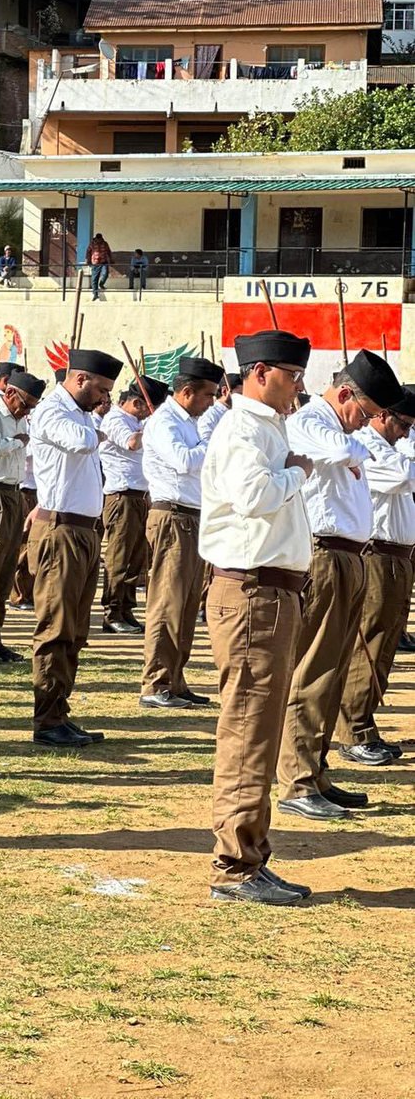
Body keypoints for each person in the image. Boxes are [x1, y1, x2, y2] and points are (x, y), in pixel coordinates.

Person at [201, 329, 315, 906]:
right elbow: (254, 495)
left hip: (271, 592)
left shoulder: (267, 426)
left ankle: (251, 854)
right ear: (261, 371)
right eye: (293, 375)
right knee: (248, 726)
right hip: (252, 594)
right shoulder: (244, 428)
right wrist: (298, 472)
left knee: (260, 727)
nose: (299, 386)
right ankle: (235, 865)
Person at [277, 350, 404, 820]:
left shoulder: (337, 426)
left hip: (351, 555)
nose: (365, 424)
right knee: (313, 669)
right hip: (324, 554)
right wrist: (357, 448)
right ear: (345, 393)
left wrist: (356, 449)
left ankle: (316, 771)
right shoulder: (311, 419)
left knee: (332, 672)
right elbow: (343, 450)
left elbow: (353, 452)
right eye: (365, 413)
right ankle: (296, 778)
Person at [27, 350, 122, 747]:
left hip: (81, 530)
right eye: (100, 390)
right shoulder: (53, 411)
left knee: (76, 629)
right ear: (80, 379)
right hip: (61, 530)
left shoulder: (80, 413)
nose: (103, 400)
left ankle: (59, 711)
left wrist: (94, 421)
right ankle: (47, 718)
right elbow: (81, 442)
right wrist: (98, 425)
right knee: (56, 627)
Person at [336, 389, 415, 764]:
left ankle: (365, 721)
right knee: (368, 642)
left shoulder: (393, 446)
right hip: (377, 555)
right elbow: (401, 477)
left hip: (398, 557)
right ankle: (353, 728)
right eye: (403, 425)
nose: (405, 433)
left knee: (385, 647)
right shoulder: (366, 444)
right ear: (383, 415)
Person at [140, 355, 222, 709]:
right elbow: (184, 461)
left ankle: (175, 677)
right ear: (187, 392)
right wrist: (217, 445)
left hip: (191, 517)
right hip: (172, 517)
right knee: (167, 602)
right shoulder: (164, 423)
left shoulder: (188, 422)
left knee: (187, 604)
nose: (211, 403)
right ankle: (155, 681)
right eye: (207, 396)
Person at [0, 371, 45, 665]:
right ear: (11, 393)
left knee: (5, 568)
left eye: (31, 408)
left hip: (13, 493)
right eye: (25, 404)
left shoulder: (19, 420)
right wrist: (16, 442)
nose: (26, 411)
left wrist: (18, 439)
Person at [99, 376, 168, 634]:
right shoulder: (115, 420)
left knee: (135, 558)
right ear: (137, 403)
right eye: (149, 410)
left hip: (139, 496)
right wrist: (154, 425)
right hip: (122, 496)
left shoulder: (138, 421)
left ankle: (126, 609)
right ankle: (112, 611)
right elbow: (131, 442)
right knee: (119, 557)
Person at [85, 232, 111, 301]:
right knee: (94, 279)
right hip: (95, 263)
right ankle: (95, 294)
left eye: (100, 239)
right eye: (98, 239)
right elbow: (88, 251)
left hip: (103, 262)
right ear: (96, 238)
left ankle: (101, 283)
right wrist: (87, 260)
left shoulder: (105, 243)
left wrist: (110, 259)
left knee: (105, 274)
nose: (99, 240)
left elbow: (108, 251)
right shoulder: (92, 243)